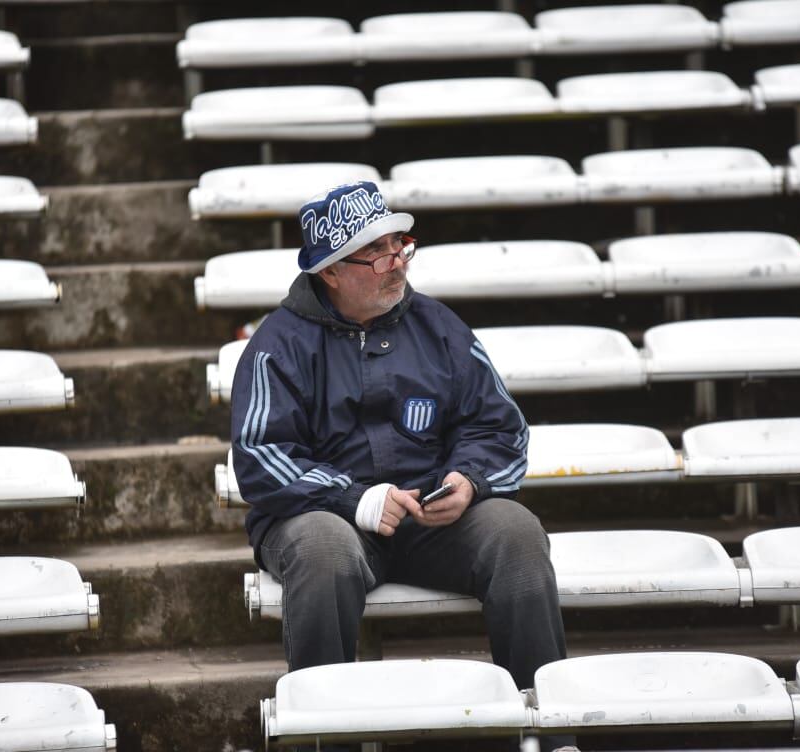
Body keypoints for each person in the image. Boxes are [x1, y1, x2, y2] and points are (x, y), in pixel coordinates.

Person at [230, 180, 568, 707]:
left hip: (431, 520)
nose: (396, 263)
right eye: (375, 254)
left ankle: (549, 728)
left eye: (398, 247)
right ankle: (325, 736)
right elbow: (258, 457)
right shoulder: (277, 345)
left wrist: (469, 481)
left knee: (516, 533)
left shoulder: (439, 326)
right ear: (331, 272)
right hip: (327, 521)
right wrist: (356, 499)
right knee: (322, 550)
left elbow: (499, 426)